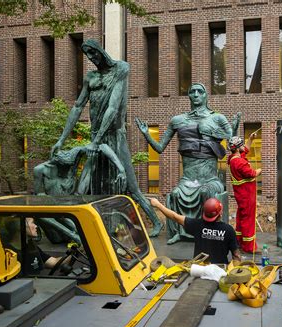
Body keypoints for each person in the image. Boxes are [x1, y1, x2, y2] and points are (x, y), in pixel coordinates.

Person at [49, 39, 162, 237]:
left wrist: (96, 140)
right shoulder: (90, 78)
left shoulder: (121, 69)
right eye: (87, 55)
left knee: (131, 186)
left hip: (114, 136)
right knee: (84, 185)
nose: (91, 58)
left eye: (93, 53)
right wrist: (61, 139)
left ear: (101, 51)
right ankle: (83, 228)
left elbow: (113, 107)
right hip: (95, 138)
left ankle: (155, 222)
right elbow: (77, 107)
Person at [136, 83, 239, 244]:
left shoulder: (217, 118)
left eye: (200, 91)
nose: (196, 94)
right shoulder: (178, 120)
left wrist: (235, 128)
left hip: (209, 179)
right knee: (176, 194)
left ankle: (208, 233)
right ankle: (181, 233)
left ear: (206, 95)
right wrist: (147, 135)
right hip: (188, 179)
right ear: (189, 96)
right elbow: (160, 147)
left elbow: (233, 142)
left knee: (206, 192)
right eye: (192, 91)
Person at [150, 197, 241, 264]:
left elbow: (175, 216)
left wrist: (158, 204)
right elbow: (236, 255)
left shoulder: (197, 225)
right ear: (220, 213)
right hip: (219, 270)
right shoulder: (228, 230)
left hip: (198, 268)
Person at [227, 132, 262, 254]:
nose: (243, 146)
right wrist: (259, 170)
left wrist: (251, 138)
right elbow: (252, 173)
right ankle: (249, 247)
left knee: (241, 218)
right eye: (241, 144)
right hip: (246, 195)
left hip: (241, 195)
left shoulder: (234, 159)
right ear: (237, 148)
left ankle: (239, 242)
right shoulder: (239, 162)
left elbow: (245, 149)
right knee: (248, 220)